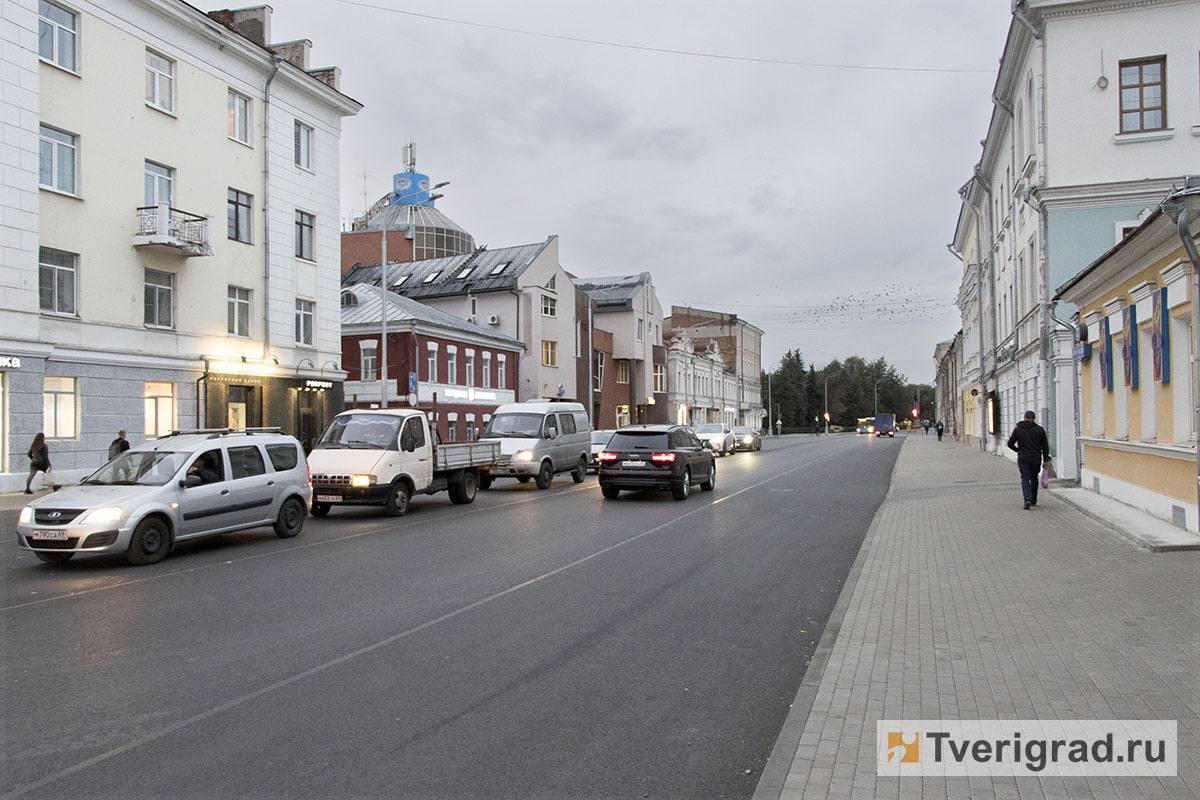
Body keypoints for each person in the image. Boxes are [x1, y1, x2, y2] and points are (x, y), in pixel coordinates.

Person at [1007, 410, 1051, 510]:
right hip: (1035, 457)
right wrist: (1045, 459)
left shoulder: (1018, 429)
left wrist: (1018, 450)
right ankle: (1033, 499)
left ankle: (1027, 498)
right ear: (1033, 418)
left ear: (1025, 418)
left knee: (1025, 478)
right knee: (1034, 477)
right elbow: (1045, 446)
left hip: (1023, 457)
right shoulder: (1039, 430)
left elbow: (1010, 444)